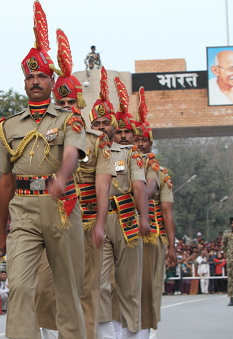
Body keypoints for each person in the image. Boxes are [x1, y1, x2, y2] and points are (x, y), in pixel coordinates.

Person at [0, 2, 87, 337]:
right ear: (24, 83)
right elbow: (5, 181)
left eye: (41, 76)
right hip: (23, 210)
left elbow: (72, 154)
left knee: (66, 290)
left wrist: (62, 179)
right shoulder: (8, 126)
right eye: (30, 76)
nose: (35, 81)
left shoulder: (69, 119)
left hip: (61, 208)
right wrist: (0, 231)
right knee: (19, 286)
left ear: (52, 82)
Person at [34, 29, 113, 339]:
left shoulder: (95, 142)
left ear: (79, 101)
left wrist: (100, 225)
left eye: (70, 100)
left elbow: (103, 188)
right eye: (61, 100)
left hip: (86, 222)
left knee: (85, 291)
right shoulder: (41, 136)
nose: (66, 105)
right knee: (44, 289)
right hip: (50, 222)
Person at [94, 73, 150, 339]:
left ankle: (132, 333)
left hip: (126, 219)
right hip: (96, 221)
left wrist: (144, 218)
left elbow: (138, 186)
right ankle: (106, 333)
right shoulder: (85, 154)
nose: (103, 127)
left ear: (114, 126)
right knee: (100, 282)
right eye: (98, 123)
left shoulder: (129, 154)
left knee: (128, 284)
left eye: (107, 122)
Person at [133, 86, 176, 337]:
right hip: (126, 233)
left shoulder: (157, 170)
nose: (139, 143)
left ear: (151, 142)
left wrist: (171, 245)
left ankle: (145, 331)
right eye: (136, 139)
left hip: (151, 237)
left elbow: (166, 210)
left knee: (149, 288)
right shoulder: (121, 162)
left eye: (143, 140)